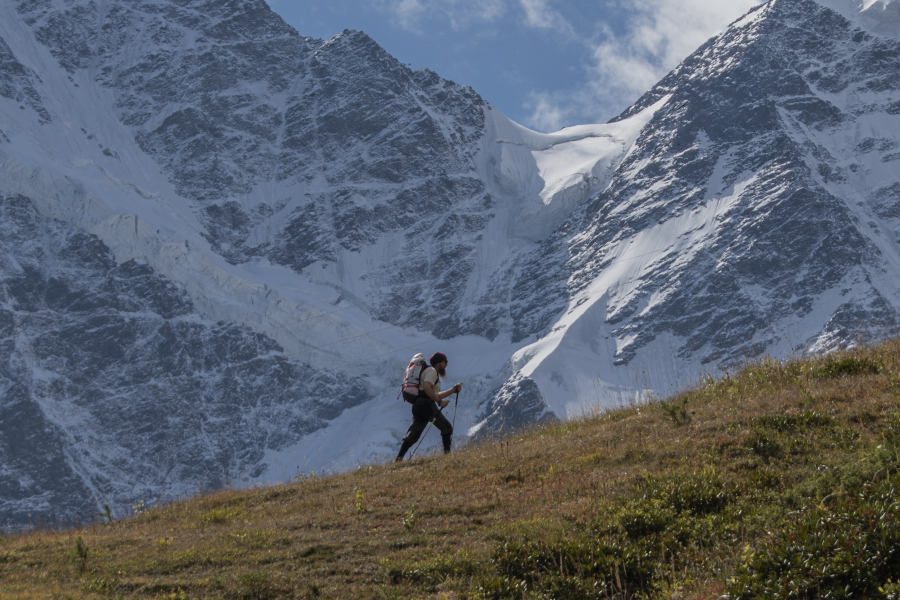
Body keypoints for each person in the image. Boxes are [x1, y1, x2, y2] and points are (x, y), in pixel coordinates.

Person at [396, 352, 462, 461]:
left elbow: (433, 393)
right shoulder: (432, 371)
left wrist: (453, 390)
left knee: (412, 435)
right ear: (440, 362)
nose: (447, 365)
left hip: (418, 406)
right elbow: (427, 388)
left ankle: (398, 460)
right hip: (426, 404)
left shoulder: (429, 372)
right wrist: (439, 402)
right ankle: (448, 458)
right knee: (447, 428)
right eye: (446, 361)